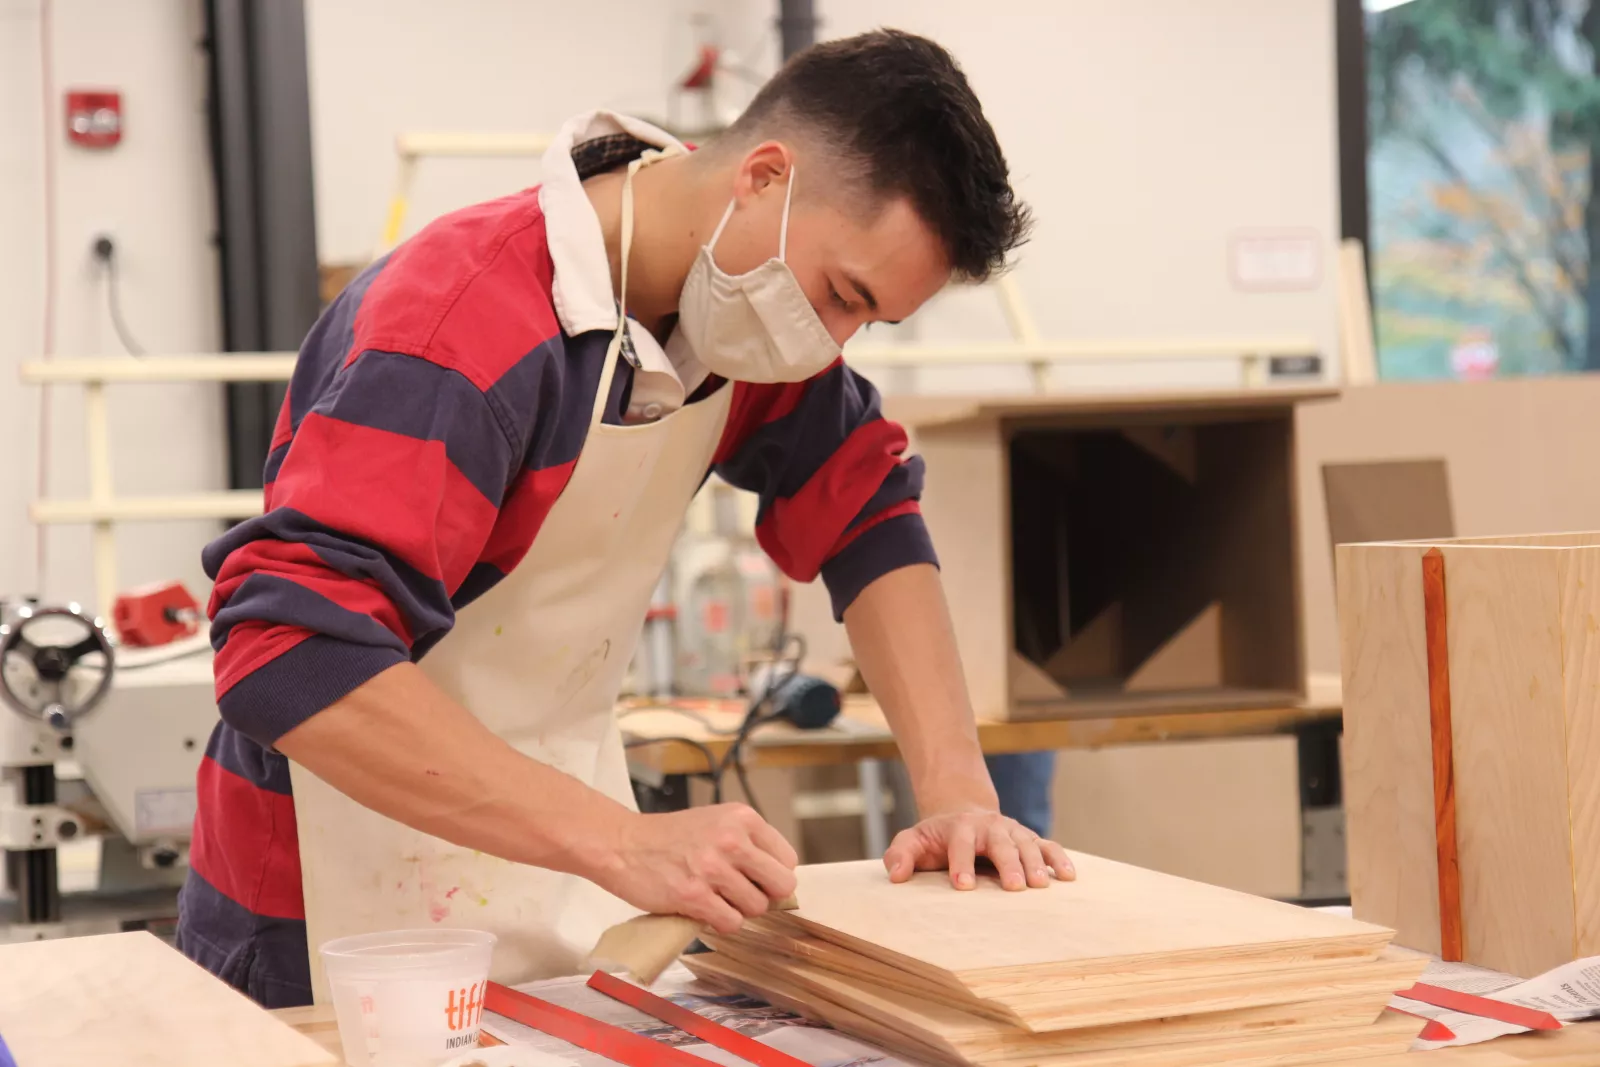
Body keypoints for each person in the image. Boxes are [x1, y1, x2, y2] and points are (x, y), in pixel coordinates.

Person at [177, 28, 1075, 1009]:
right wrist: (624, 838)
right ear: (764, 178)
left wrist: (956, 798)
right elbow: (288, 653)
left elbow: (867, 508)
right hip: (327, 911)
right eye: (841, 295)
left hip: (549, 872)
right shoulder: (457, 333)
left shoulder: (733, 319)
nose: (833, 343)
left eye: (870, 322)